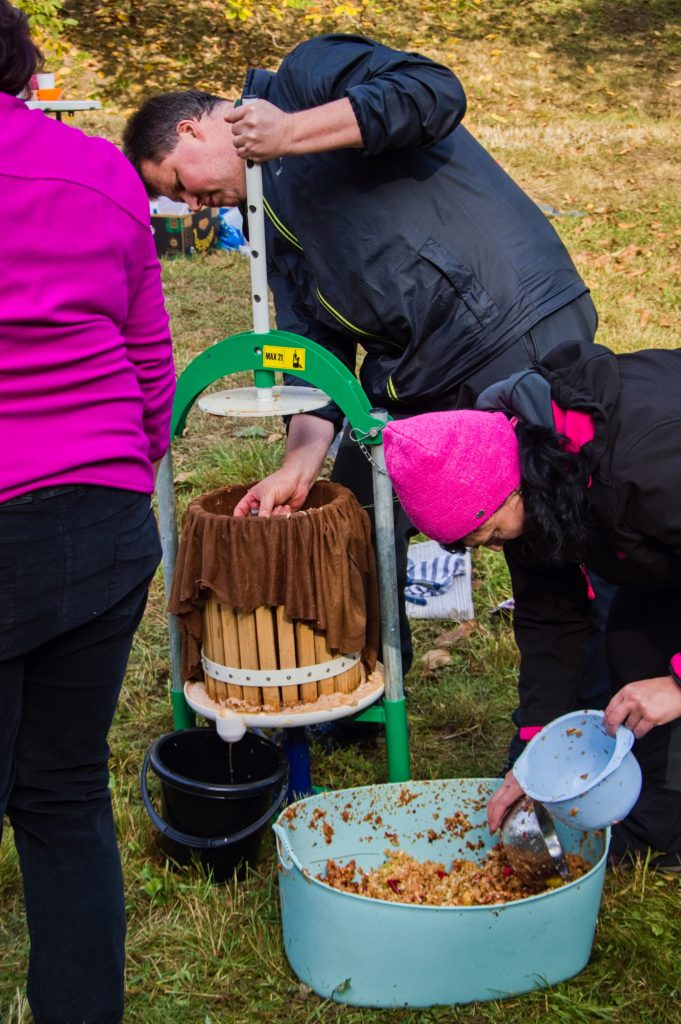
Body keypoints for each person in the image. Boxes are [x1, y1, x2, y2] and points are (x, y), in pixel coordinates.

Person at [122, 33, 599, 675]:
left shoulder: (304, 79)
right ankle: (369, 687)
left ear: (193, 131)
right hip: (415, 372)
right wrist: (298, 464)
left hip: (512, 325)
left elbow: (433, 92)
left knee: (548, 530)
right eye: (178, 202)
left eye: (181, 184)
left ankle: (581, 713)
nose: (192, 206)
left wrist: (291, 131)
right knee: (351, 511)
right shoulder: (267, 228)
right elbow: (312, 348)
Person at [0, 5, 176, 1022]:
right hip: (103, 521)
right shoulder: (99, 169)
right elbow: (151, 363)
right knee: (63, 795)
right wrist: (121, 469)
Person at [382, 340, 681, 871]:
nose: (497, 548)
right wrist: (531, 757)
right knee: (632, 643)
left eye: (494, 534)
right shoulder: (527, 480)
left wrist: (678, 684)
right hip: (659, 549)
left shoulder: (647, 465)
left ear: (512, 490)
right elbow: (552, 621)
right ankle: (662, 826)